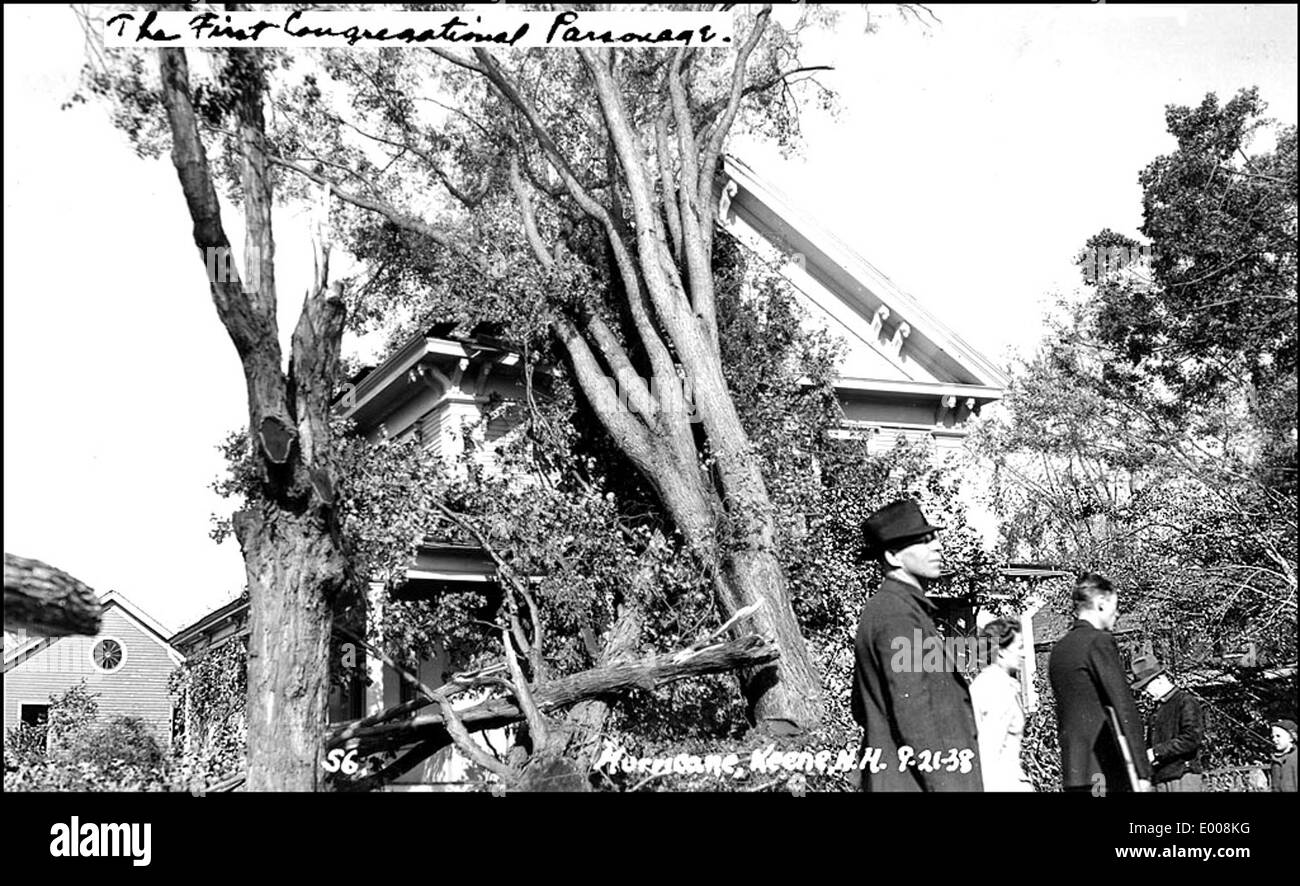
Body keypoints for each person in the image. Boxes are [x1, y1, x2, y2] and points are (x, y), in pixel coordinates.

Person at [851, 499, 982, 791]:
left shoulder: (897, 609)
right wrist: (947, 786)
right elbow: (913, 713)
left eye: (934, 538)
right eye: (922, 541)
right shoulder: (898, 615)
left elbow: (861, 707)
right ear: (893, 556)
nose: (937, 547)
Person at [1048, 573, 1152, 793]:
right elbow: (1123, 706)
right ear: (1102, 604)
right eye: (1115, 606)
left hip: (1074, 770)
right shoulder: (1099, 642)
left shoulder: (1059, 650)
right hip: (1104, 768)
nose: (1117, 613)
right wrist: (1142, 771)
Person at [970, 617, 1034, 791]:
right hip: (1005, 783)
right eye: (1019, 647)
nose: (1023, 654)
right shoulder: (1000, 689)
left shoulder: (982, 682)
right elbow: (989, 749)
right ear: (1001, 651)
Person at [1131, 652, 1203, 792]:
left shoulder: (1185, 702)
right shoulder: (1156, 710)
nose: (1145, 692)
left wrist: (1156, 753)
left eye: (1146, 687)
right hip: (1162, 778)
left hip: (1183, 777)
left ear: (1159, 679)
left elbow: (1191, 739)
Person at [1270, 719, 1298, 792]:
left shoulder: (1295, 757)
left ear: (1291, 738)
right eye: (1273, 736)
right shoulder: (1276, 759)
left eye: (1278, 736)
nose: (1274, 739)